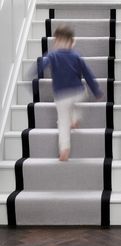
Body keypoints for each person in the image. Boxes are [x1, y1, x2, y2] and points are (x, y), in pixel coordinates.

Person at [40, 25, 103, 161]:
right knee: (79, 100)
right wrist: (96, 90)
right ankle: (74, 119)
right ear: (72, 42)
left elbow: (40, 65)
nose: (56, 43)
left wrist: (34, 75)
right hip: (77, 92)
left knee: (62, 123)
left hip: (61, 96)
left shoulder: (51, 55)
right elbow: (88, 75)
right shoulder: (76, 56)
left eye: (57, 40)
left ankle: (64, 150)